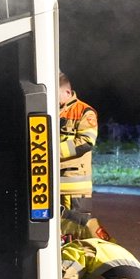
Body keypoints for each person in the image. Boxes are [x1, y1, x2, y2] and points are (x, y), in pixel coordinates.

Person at [56, 72, 109, 241]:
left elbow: (86, 142)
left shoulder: (85, 112)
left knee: (77, 233)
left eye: (55, 94)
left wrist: (53, 152)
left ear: (67, 92)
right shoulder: (51, 111)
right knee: (58, 233)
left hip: (76, 188)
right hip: (53, 185)